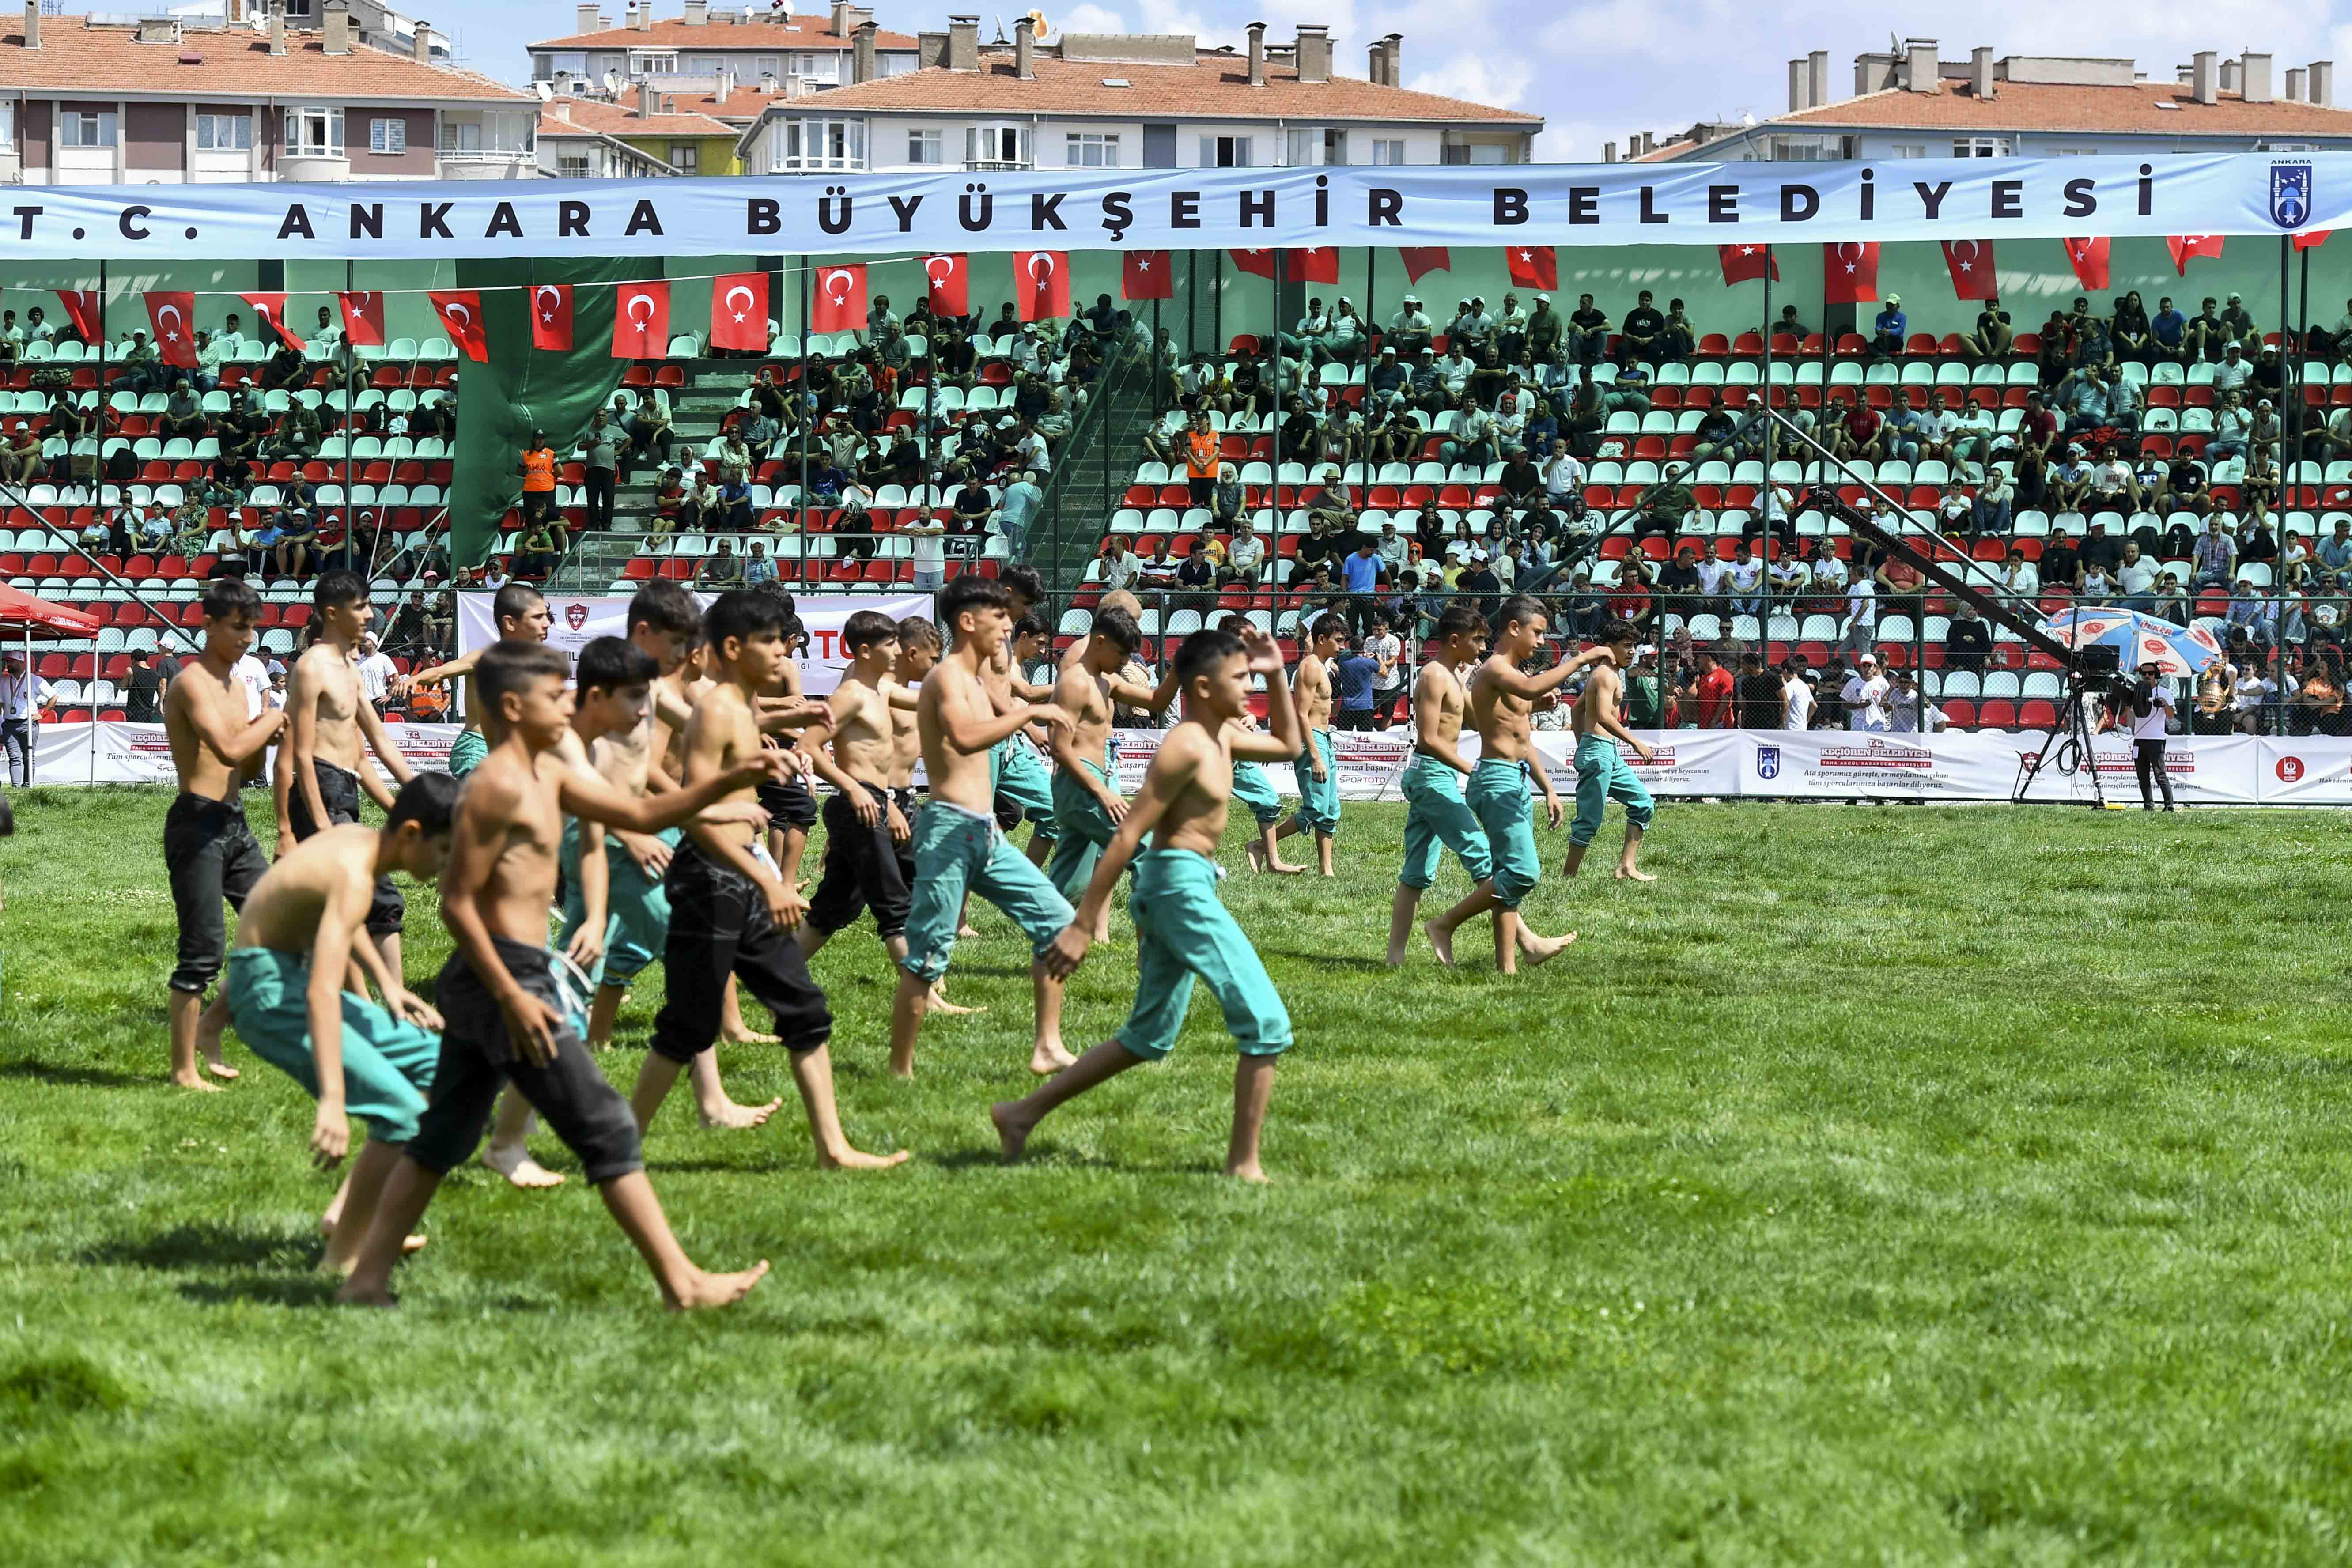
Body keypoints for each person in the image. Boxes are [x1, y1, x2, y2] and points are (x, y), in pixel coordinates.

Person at [333, 639, 810, 1311]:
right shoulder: (496, 784)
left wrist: (730, 781)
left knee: (441, 1137)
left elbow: (640, 814)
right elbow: (457, 902)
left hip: (496, 976)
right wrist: (513, 995)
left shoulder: (551, 769)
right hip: (503, 977)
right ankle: (685, 1283)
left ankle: (364, 1280)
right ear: (511, 706)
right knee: (607, 1125)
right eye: (555, 696)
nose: (569, 703)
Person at [999, 624, 1303, 1179]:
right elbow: (1126, 833)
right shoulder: (1186, 743)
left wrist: (1277, 671)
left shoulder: (1223, 737)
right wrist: (1083, 921)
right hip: (1176, 888)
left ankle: (1020, 1114)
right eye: (1242, 678)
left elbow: (1290, 745)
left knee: (1147, 1037)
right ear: (1205, 687)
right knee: (1265, 1024)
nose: (1249, 686)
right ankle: (1245, 1165)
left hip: (1182, 884)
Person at [225, 774, 455, 1275]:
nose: (443, 866)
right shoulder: (356, 875)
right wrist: (333, 1099)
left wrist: (387, 985)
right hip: (270, 994)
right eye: (443, 850)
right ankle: (343, 1258)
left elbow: (317, 917)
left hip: (275, 973)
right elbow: (322, 990)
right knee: (403, 1116)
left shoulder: (360, 842)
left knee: (444, 1068)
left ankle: (343, 1214)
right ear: (412, 833)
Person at [892, 575, 1080, 1080]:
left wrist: (1032, 716)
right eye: (999, 616)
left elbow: (996, 716)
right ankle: (899, 1072)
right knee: (928, 955)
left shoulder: (977, 680)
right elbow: (966, 736)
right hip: (950, 831)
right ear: (967, 621)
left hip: (986, 834)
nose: (1008, 624)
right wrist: (1029, 714)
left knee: (1058, 921)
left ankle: (1047, 1045)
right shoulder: (946, 678)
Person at [1389, 601, 1577, 970]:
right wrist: (1470, 768)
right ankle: (1522, 939)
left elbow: (1481, 720)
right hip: (1430, 775)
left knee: (1416, 873)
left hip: (1437, 776)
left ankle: (1394, 959)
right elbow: (1428, 738)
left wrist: (1534, 708)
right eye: (1476, 641)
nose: (1480, 648)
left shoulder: (1455, 678)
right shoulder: (1433, 675)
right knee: (1481, 853)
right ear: (1454, 639)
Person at [161, 576, 287, 1090]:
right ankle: (182, 1070)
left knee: (280, 924)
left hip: (235, 821)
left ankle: (211, 1027)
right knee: (203, 951)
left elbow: (249, 761)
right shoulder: (191, 682)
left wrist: (267, 732)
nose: (247, 638)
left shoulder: (239, 685)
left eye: (252, 628)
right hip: (196, 822)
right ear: (208, 623)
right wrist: (275, 717)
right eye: (238, 627)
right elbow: (228, 749)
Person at [285, 571, 418, 977]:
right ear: (331, 613)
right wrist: (323, 824)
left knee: (344, 910)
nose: (369, 614)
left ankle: (366, 1005)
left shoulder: (351, 669)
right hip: (319, 794)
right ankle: (394, 1007)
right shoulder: (311, 669)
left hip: (345, 789)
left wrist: (413, 798)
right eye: (359, 607)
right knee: (378, 895)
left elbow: (374, 745)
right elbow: (302, 755)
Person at [1042, 609, 1178, 936]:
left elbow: (1157, 701)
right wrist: (1102, 791)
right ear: (1100, 641)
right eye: (1121, 654)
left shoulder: (1107, 681)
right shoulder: (1075, 683)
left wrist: (1179, 669)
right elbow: (1060, 747)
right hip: (1081, 786)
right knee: (1144, 851)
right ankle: (1154, 940)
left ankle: (1044, 926)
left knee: (1071, 880)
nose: (1124, 662)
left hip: (1086, 785)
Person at [401, 583, 552, 778]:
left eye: (546, 618)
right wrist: (416, 679)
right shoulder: (483, 659)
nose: (546, 624)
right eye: (538, 617)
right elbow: (440, 672)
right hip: (476, 747)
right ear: (511, 623)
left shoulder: (535, 668)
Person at [1563, 618, 1657, 880]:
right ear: (1608, 647)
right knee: (1589, 821)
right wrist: (1635, 742)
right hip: (1599, 752)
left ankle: (1626, 867)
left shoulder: (1611, 673)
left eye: (1635, 646)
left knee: (1643, 804)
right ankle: (1568, 878)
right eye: (1626, 646)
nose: (1633, 651)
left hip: (1606, 751)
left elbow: (1577, 709)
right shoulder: (1605, 674)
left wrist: (1585, 743)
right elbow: (1604, 716)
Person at [1272, 615, 1345, 877]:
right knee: (1315, 808)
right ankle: (1263, 845)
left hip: (1325, 738)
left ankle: (1327, 870)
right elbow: (1301, 714)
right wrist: (1315, 756)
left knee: (1330, 811)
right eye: (1338, 641)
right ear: (1322, 640)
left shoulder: (1323, 666)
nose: (1342, 646)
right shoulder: (1311, 667)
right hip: (1313, 740)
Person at [2112, 658, 2178, 810]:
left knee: (2160, 774)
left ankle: (2169, 806)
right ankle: (2149, 805)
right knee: (2142, 776)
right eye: (2144, 674)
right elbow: (2125, 713)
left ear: (2157, 676)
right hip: (2139, 739)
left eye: (2151, 673)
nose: (2147, 676)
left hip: (2156, 740)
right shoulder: (2138, 692)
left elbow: (2171, 716)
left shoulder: (2164, 693)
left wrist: (2164, 704)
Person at [0, 651, 45, 786]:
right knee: (14, 757)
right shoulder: (4, 680)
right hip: (9, 724)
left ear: (21, 662)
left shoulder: (34, 680)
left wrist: (44, 713)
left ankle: (27, 787)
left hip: (28, 723)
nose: (8, 665)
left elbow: (54, 696)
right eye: (7, 662)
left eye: (12, 662)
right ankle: (16, 787)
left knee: (28, 757)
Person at [1842, 652, 1891, 731]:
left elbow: (1890, 704)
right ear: (1861, 668)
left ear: (1875, 668)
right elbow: (1844, 705)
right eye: (1864, 666)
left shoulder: (1883, 683)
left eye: (1870, 666)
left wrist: (1880, 709)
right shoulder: (1853, 683)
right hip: (1858, 725)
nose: (1867, 669)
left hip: (1877, 725)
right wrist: (1859, 706)